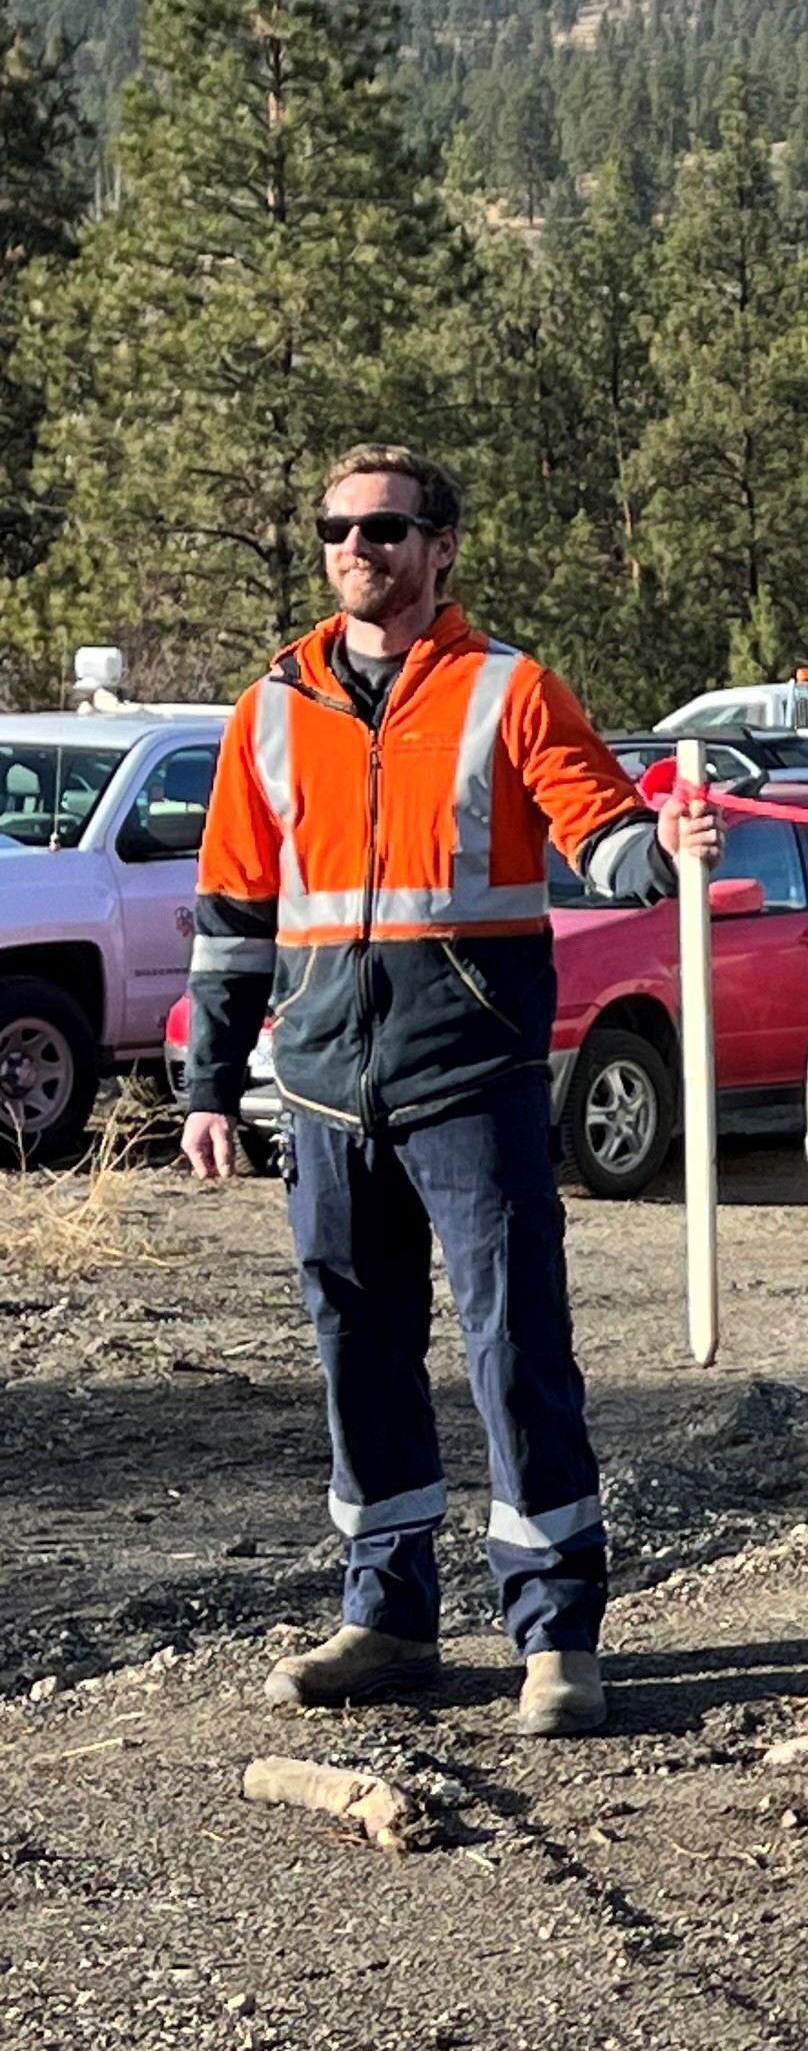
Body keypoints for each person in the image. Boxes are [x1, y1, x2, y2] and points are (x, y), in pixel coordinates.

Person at [183, 447, 721, 1739]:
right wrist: (209, 1084)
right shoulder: (271, 707)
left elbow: (602, 833)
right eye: (337, 528)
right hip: (320, 1089)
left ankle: (556, 1632)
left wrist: (664, 846)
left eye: (384, 527)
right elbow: (230, 913)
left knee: (515, 1343)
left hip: (471, 1079)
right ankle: (388, 1615)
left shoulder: (509, 691)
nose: (357, 546)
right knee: (356, 1349)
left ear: (442, 549)